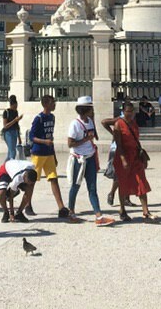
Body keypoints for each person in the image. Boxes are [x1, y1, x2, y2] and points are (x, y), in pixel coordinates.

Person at [102, 101, 157, 221]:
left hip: (135, 156)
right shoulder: (118, 124)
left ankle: (145, 211)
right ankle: (122, 210)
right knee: (123, 183)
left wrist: (142, 156)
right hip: (123, 157)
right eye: (128, 111)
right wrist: (123, 160)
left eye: (132, 111)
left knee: (141, 181)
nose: (130, 114)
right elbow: (119, 144)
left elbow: (136, 140)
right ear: (123, 111)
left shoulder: (133, 123)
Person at [66, 95, 115, 226]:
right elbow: (70, 143)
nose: (93, 110)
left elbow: (95, 137)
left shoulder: (90, 121)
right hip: (79, 159)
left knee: (92, 188)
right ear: (85, 109)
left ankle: (98, 216)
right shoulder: (74, 124)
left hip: (90, 157)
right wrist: (86, 140)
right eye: (91, 108)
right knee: (75, 186)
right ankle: (71, 212)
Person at [23, 95, 71, 219]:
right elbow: (32, 137)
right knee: (32, 180)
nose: (54, 104)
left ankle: (61, 207)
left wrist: (53, 154)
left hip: (48, 153)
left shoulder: (52, 117)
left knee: (53, 179)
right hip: (38, 153)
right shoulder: (38, 119)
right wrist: (45, 142)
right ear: (46, 104)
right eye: (52, 103)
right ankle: (27, 205)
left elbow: (51, 137)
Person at [0, 159, 38, 223]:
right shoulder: (17, 178)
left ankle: (19, 213)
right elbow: (11, 196)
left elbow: (30, 183)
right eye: (28, 182)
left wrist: (28, 186)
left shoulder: (32, 168)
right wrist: (12, 213)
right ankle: (6, 212)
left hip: (17, 169)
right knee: (1, 193)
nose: (30, 184)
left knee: (29, 190)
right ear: (24, 177)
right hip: (6, 172)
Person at [1, 95, 22, 162]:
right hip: (8, 133)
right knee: (12, 152)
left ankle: (4, 167)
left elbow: (17, 125)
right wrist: (14, 120)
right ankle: (9, 166)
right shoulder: (6, 112)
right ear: (12, 105)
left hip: (14, 132)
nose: (16, 107)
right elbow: (5, 126)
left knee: (10, 152)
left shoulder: (16, 112)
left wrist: (19, 137)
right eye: (15, 106)